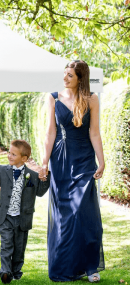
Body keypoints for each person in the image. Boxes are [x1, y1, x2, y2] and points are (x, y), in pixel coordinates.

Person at [39, 60, 105, 283]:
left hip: (85, 159)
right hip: (61, 160)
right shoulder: (54, 97)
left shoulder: (92, 99)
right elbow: (50, 133)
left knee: (85, 215)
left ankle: (90, 266)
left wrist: (102, 162)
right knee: (64, 216)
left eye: (70, 76)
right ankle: (65, 265)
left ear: (80, 79)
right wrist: (44, 162)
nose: (65, 78)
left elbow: (94, 133)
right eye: (64, 74)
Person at [0, 140, 50, 284]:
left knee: (19, 247)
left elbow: (40, 192)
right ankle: (5, 271)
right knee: (6, 245)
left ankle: (16, 270)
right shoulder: (2, 170)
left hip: (22, 218)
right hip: (5, 217)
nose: (9, 156)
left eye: (13, 154)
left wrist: (46, 178)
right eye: (9, 153)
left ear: (24, 158)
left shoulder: (32, 176)